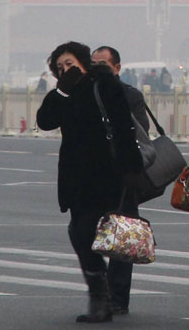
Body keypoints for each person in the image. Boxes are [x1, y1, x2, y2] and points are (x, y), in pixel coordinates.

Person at [36, 41, 143, 323]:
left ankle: (106, 298)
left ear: (84, 62)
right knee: (79, 232)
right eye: (60, 67)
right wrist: (62, 89)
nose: (66, 70)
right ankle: (101, 295)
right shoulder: (64, 93)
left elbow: (123, 126)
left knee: (94, 232)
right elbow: (44, 121)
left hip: (107, 174)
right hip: (76, 177)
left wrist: (131, 169)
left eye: (70, 64)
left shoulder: (103, 84)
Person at [89, 45, 150, 315]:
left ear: (117, 68)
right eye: (94, 65)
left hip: (123, 174)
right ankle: (100, 293)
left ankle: (118, 297)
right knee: (84, 234)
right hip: (92, 174)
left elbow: (140, 133)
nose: (97, 70)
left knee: (122, 235)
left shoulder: (130, 96)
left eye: (103, 65)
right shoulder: (85, 94)